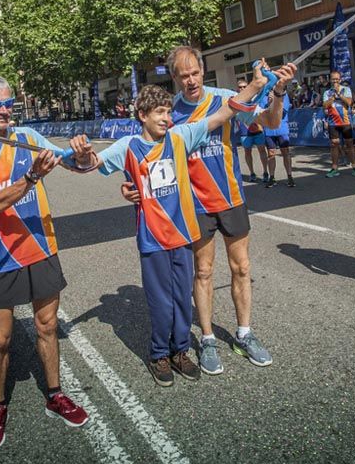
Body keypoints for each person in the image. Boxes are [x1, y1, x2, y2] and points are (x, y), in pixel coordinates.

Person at [68, 66, 270, 386]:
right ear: (142, 115)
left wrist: (256, 86)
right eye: (159, 113)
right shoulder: (129, 146)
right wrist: (81, 157)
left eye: (167, 111)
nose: (166, 118)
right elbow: (90, 164)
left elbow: (223, 113)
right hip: (152, 239)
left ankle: (180, 350)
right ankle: (159, 353)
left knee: (180, 299)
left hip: (182, 235)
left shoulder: (180, 137)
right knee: (160, 302)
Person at [121, 47, 294, 376]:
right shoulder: (168, 112)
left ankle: (244, 333)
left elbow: (270, 121)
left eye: (195, 73)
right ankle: (209, 339)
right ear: (174, 78)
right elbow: (146, 156)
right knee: (202, 273)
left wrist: (279, 91)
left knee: (241, 268)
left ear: (203, 71)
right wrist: (131, 186)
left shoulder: (226, 98)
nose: (190, 80)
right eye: (182, 75)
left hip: (230, 198)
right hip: (193, 206)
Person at [0, 74, 90, 451]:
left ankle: (55, 394)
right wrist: (32, 176)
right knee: (0, 340)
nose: (3, 110)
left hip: (42, 248)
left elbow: (76, 165)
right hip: (2, 255)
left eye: (7, 102)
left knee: (47, 326)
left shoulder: (29, 138)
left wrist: (81, 153)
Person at [323, 71, 355, 177]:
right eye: (333, 79)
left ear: (340, 79)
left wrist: (339, 94)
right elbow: (325, 105)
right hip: (333, 122)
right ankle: (334, 168)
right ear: (330, 80)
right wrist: (333, 97)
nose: (335, 81)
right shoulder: (327, 92)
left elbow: (349, 102)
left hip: (345, 121)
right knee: (334, 144)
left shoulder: (346, 89)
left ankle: (354, 167)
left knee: (349, 144)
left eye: (337, 79)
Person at [236, 79, 269, 183]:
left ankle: (265, 172)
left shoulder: (255, 98)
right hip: (244, 131)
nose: (242, 88)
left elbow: (261, 112)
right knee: (247, 152)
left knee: (262, 151)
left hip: (258, 129)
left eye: (244, 86)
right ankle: (252, 173)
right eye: (240, 87)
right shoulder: (236, 100)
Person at [264, 86, 294, 187]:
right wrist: (269, 103)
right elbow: (262, 113)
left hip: (282, 129)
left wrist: (272, 103)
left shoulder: (283, 95)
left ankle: (290, 176)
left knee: (285, 152)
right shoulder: (264, 95)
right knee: (271, 154)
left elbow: (282, 112)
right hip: (269, 130)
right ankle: (272, 177)